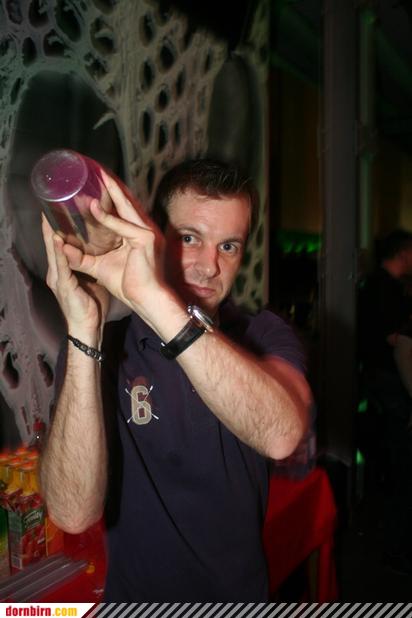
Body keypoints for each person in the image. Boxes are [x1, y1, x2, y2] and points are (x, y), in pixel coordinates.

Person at [39, 159, 312, 601]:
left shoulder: (263, 334)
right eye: (190, 238)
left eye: (229, 246)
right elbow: (72, 513)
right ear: (155, 238)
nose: (209, 266)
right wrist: (84, 329)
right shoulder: (106, 346)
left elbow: (281, 436)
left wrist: (156, 301)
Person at [358, 228, 412, 573]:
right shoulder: (386, 290)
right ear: (403, 253)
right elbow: (394, 339)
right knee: (402, 465)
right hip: (390, 382)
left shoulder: (376, 285)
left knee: (396, 464)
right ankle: (395, 548)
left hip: (381, 380)